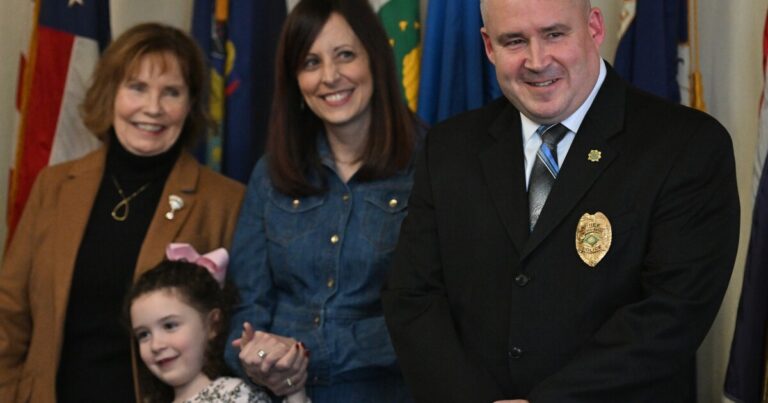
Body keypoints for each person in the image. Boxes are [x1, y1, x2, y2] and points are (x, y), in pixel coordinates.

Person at [381, 0, 740, 402]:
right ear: (488, 46)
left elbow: (672, 313)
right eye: (514, 41)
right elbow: (411, 297)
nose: (537, 60)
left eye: (554, 34)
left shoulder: (687, 147)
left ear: (595, 27)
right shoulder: (448, 148)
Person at [0, 23, 244, 403]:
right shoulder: (54, 186)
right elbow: (9, 316)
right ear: (110, 92)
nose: (153, 108)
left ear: (191, 103)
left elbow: (229, 335)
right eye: (137, 87)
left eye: (172, 92)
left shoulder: (225, 202)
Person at [224, 0, 420, 401]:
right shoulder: (270, 173)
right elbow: (246, 311)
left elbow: (439, 313)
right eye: (310, 62)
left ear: (375, 60)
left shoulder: (430, 164)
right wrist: (261, 359)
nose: (330, 77)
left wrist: (303, 351)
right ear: (294, 79)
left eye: (345, 55)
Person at [127, 244, 309, 403]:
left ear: (213, 323)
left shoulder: (234, 394)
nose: (156, 345)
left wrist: (294, 390)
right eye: (143, 334)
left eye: (169, 326)